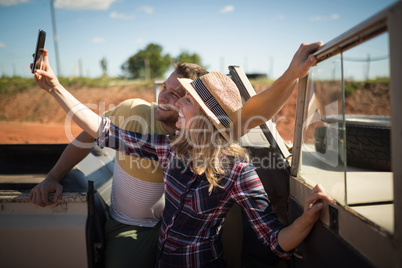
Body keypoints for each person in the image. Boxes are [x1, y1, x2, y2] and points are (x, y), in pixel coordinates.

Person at [32, 42, 333, 267]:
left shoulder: (239, 172)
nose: (171, 101)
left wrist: (307, 218)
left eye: (184, 99)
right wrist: (55, 87)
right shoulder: (171, 148)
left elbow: (275, 240)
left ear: (202, 117)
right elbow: (102, 129)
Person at [29, 53, 208, 267]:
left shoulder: (201, 137)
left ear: (192, 103)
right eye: (164, 89)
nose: (162, 97)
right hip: (130, 226)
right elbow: (91, 132)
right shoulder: (133, 112)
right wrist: (52, 177)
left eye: (174, 94)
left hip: (180, 230)